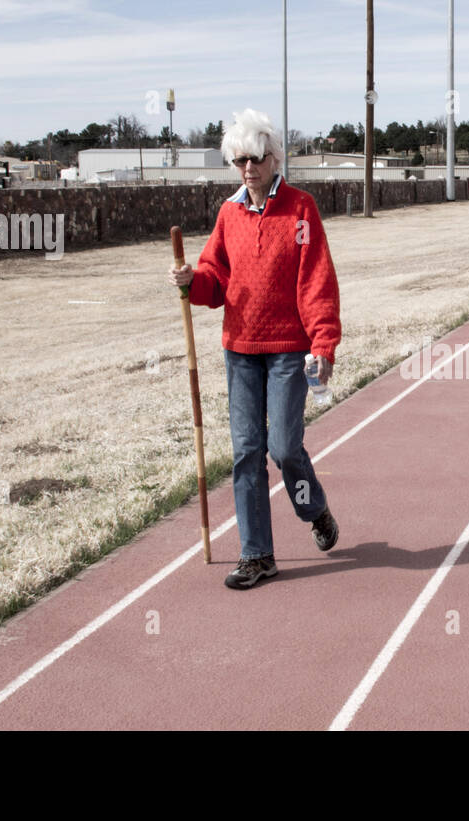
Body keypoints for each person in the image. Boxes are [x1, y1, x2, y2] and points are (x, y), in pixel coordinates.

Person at [168, 108, 341, 590]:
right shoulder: (229, 213)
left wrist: (323, 342)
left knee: (284, 448)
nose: (249, 168)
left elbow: (316, 281)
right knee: (246, 451)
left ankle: (314, 508)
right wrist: (192, 282)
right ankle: (257, 554)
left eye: (258, 158)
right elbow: (215, 277)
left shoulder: (301, 210)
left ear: (274, 158)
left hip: (289, 349)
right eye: (241, 159)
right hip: (240, 349)